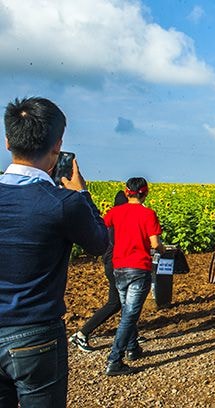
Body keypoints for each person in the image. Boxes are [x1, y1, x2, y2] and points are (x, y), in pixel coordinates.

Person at [0, 97, 108, 406]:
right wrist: (82, 195)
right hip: (34, 334)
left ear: (8, 140)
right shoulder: (63, 203)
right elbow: (100, 243)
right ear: (57, 145)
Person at [104, 177, 165, 376]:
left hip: (118, 267)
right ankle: (114, 359)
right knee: (130, 315)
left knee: (127, 312)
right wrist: (163, 249)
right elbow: (155, 244)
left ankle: (132, 348)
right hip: (139, 268)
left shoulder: (115, 212)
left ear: (126, 191)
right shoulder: (148, 214)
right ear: (145, 192)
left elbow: (103, 226)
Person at [70, 190, 128, 352]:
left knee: (123, 301)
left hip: (110, 262)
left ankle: (131, 336)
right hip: (116, 263)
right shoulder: (122, 219)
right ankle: (82, 334)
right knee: (115, 303)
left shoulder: (109, 218)